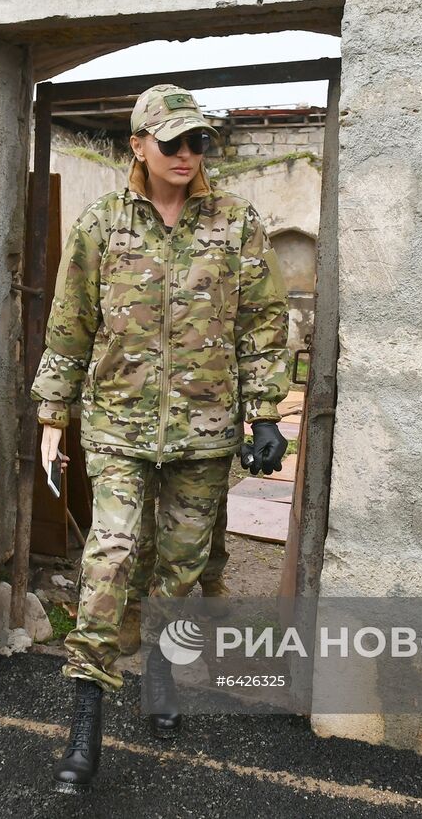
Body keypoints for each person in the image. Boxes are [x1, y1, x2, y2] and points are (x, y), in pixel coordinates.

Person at [31, 83, 291, 793]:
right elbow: (69, 323)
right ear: (138, 147)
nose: (186, 153)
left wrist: (266, 412)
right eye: (171, 141)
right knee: (111, 556)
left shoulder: (237, 224)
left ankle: (164, 675)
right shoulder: (100, 223)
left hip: (204, 435)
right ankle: (85, 724)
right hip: (117, 425)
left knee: (178, 569)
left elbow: (264, 322)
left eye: (197, 141)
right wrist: (53, 416)